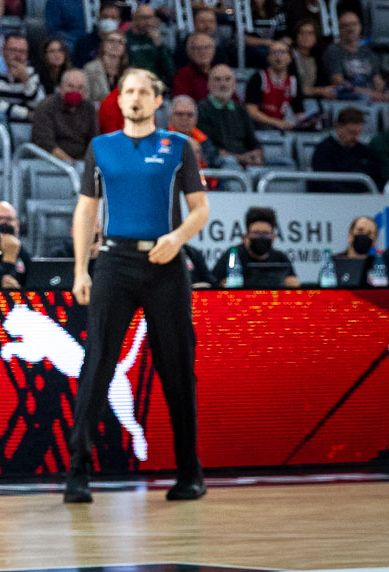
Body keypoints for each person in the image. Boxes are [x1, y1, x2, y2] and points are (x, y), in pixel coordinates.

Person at [64, 69, 208, 505]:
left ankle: (190, 473)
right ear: (120, 100)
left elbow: (200, 211)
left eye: (144, 91)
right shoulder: (100, 147)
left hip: (165, 263)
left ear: (157, 99)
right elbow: (86, 212)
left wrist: (177, 238)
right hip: (115, 261)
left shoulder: (179, 147)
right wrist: (80, 270)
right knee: (98, 363)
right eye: (128, 91)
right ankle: (77, 474)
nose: (135, 98)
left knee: (177, 367)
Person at [212, 204, 299, 288]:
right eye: (256, 233)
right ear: (246, 236)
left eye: (266, 233)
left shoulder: (281, 258)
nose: (261, 237)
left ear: (274, 237)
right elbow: (213, 283)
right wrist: (222, 284)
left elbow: (293, 282)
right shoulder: (233, 256)